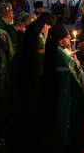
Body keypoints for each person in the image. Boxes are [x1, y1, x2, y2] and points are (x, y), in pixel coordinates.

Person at [41, 22, 84, 153]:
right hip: (64, 99)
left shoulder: (53, 52)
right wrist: (77, 64)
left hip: (53, 97)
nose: (70, 39)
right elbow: (78, 76)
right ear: (60, 42)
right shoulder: (63, 58)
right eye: (68, 37)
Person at [18, 12, 57, 140]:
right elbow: (41, 61)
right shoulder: (39, 38)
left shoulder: (34, 33)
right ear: (45, 26)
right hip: (36, 78)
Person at [0, 2, 19, 103]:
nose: (13, 16)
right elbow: (13, 49)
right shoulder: (9, 28)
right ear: (8, 15)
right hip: (5, 61)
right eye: (12, 14)